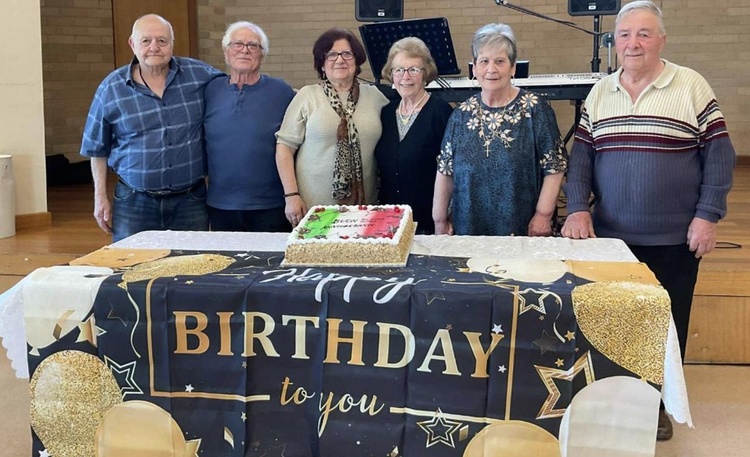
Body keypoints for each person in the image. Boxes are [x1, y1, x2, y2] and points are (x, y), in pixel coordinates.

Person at [560, 0, 736, 440]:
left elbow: (719, 157)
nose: (633, 43)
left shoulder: (690, 85)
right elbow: (581, 159)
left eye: (643, 33)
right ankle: (615, 401)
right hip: (611, 238)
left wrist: (707, 216)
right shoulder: (600, 93)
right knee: (612, 322)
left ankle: (656, 406)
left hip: (674, 237)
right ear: (614, 41)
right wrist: (577, 207)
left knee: (667, 326)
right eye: (624, 34)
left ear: (661, 39)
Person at [80, 14, 221, 242]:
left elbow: (234, 87)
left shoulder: (200, 75)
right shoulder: (111, 88)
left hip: (190, 201)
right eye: (146, 41)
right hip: (134, 202)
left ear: (172, 43)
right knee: (132, 261)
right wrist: (99, 197)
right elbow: (96, 148)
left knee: (191, 261)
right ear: (132, 44)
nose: (154, 47)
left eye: (162, 41)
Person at [432, 23, 567, 237]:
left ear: (513, 67)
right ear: (474, 68)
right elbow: (445, 170)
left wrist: (543, 215)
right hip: (468, 226)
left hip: (521, 227)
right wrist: (439, 220)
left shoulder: (535, 109)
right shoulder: (460, 115)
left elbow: (555, 166)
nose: (491, 69)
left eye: (500, 61)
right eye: (484, 61)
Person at [275, 27, 389, 227]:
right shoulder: (307, 96)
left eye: (347, 54)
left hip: (362, 207)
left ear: (357, 60)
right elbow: (284, 147)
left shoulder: (375, 97)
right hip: (312, 208)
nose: (340, 60)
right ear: (322, 63)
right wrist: (291, 195)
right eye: (331, 54)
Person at [204, 21, 295, 232]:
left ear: (262, 55)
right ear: (226, 52)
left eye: (253, 45)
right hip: (221, 205)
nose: (245, 50)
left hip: (271, 205)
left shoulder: (282, 92)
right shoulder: (210, 90)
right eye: (237, 44)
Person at [374, 37, 453, 234]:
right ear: (391, 74)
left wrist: (445, 217)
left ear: (425, 74)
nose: (405, 77)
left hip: (430, 222)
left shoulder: (441, 112)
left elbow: (454, 170)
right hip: (390, 222)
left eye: (414, 70)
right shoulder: (385, 113)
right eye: (399, 70)